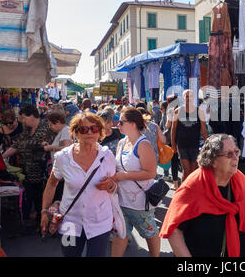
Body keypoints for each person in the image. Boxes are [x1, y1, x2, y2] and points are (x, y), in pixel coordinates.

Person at [161, 134, 245, 257]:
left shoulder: (239, 179)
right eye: (229, 154)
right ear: (213, 161)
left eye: (236, 152)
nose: (235, 157)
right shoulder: (193, 186)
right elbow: (174, 229)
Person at [40, 112, 118, 257]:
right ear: (75, 133)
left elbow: (113, 183)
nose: (89, 132)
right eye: (83, 129)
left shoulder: (107, 156)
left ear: (100, 132)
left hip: (100, 222)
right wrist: (44, 211)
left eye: (94, 129)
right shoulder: (63, 157)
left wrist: (111, 184)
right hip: (70, 222)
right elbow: (52, 184)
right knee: (69, 254)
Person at [111, 107, 160, 257]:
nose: (117, 125)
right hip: (121, 200)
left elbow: (151, 173)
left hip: (139, 202)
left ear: (132, 124)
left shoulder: (143, 144)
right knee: (120, 235)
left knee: (149, 233)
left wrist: (124, 176)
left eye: (120, 122)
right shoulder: (122, 142)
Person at [2, 104, 55, 230]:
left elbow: (43, 146)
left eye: (24, 118)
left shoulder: (45, 128)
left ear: (32, 115)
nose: (23, 122)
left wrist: (28, 145)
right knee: (30, 197)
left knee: (41, 199)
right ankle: (34, 223)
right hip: (26, 171)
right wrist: (2, 157)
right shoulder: (26, 130)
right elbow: (16, 145)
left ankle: (42, 224)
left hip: (41, 172)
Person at [171, 89, 208, 183]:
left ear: (194, 98)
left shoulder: (199, 111)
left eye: (190, 96)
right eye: (186, 96)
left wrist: (207, 144)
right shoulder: (178, 111)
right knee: (186, 170)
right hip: (182, 145)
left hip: (195, 145)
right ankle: (183, 193)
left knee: (194, 170)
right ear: (183, 98)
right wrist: (173, 145)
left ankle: (192, 192)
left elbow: (204, 130)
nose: (188, 98)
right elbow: (173, 129)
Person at [167, 95, 181, 190]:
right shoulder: (182, 109)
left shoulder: (170, 111)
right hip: (183, 138)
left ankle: (175, 185)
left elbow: (168, 125)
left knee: (174, 162)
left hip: (173, 139)